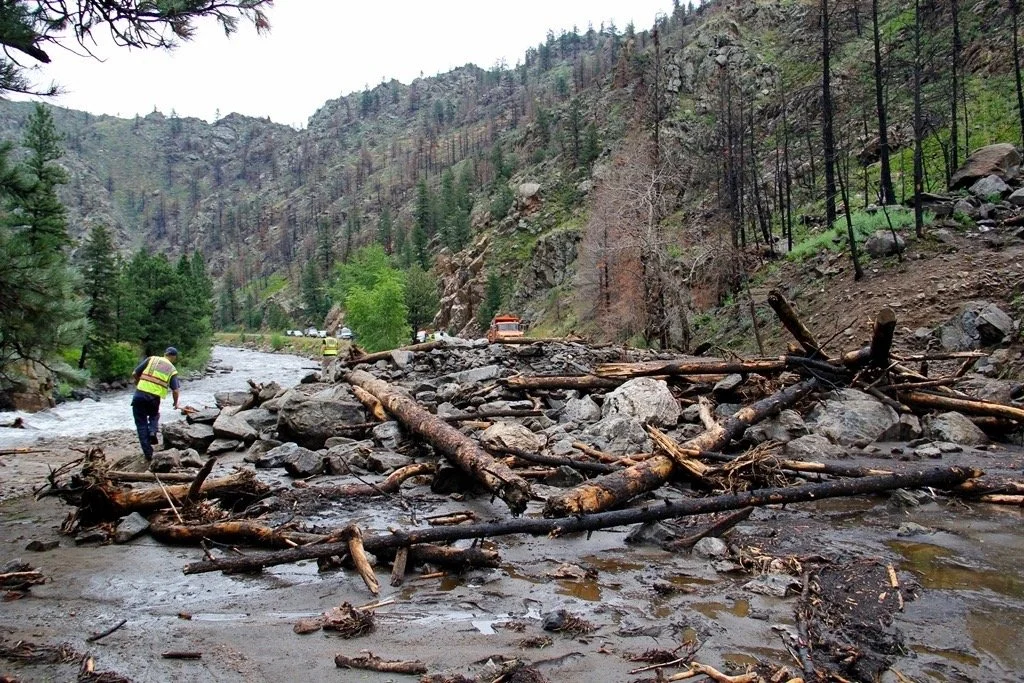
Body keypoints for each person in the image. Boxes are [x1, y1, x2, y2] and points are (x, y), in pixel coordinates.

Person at [131, 347, 181, 460]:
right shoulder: (172, 369)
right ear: (173, 356)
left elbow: (134, 373)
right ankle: (153, 431)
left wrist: (138, 383)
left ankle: (148, 453)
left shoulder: (151, 359)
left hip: (139, 394)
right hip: (154, 398)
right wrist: (175, 403)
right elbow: (176, 390)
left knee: (141, 424)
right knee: (154, 415)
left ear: (165, 354)